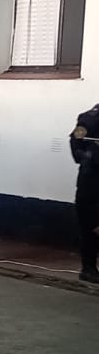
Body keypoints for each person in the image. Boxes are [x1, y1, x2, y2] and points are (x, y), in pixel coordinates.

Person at [70, 101, 99, 283]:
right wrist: (91, 156)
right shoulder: (90, 119)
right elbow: (76, 150)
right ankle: (88, 269)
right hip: (92, 183)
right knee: (90, 227)